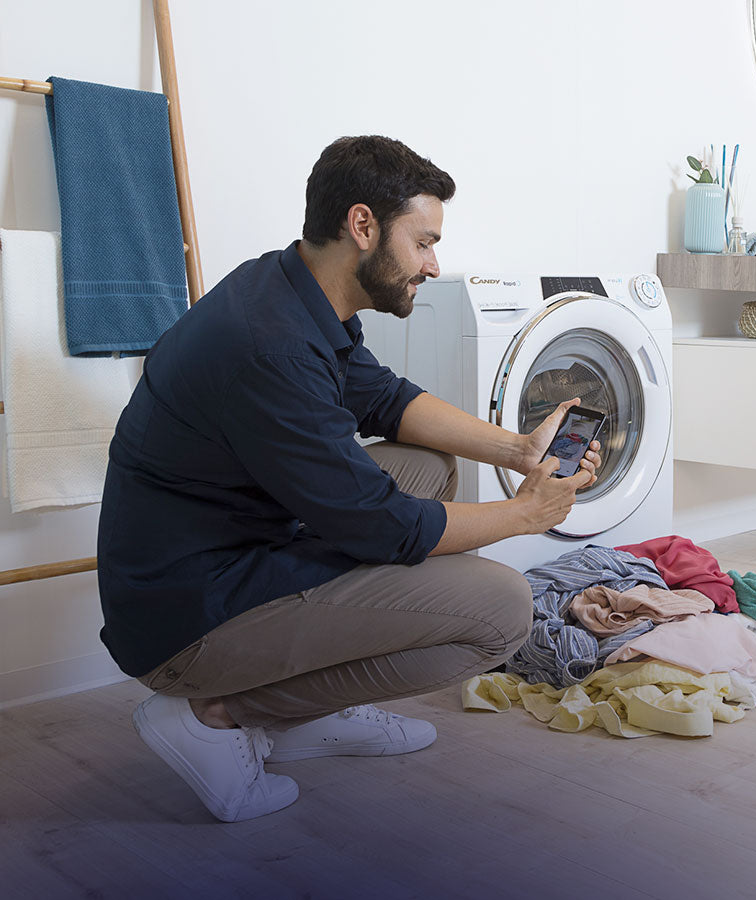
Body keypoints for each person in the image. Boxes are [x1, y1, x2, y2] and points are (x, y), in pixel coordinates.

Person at [97, 135, 600, 823]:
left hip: (231, 553)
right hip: (185, 619)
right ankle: (217, 713)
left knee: (426, 466)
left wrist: (517, 450)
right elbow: (386, 526)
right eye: (423, 242)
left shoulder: (290, 289)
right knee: (501, 610)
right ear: (363, 226)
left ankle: (308, 712)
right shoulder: (266, 346)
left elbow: (384, 399)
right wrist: (526, 516)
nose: (433, 263)